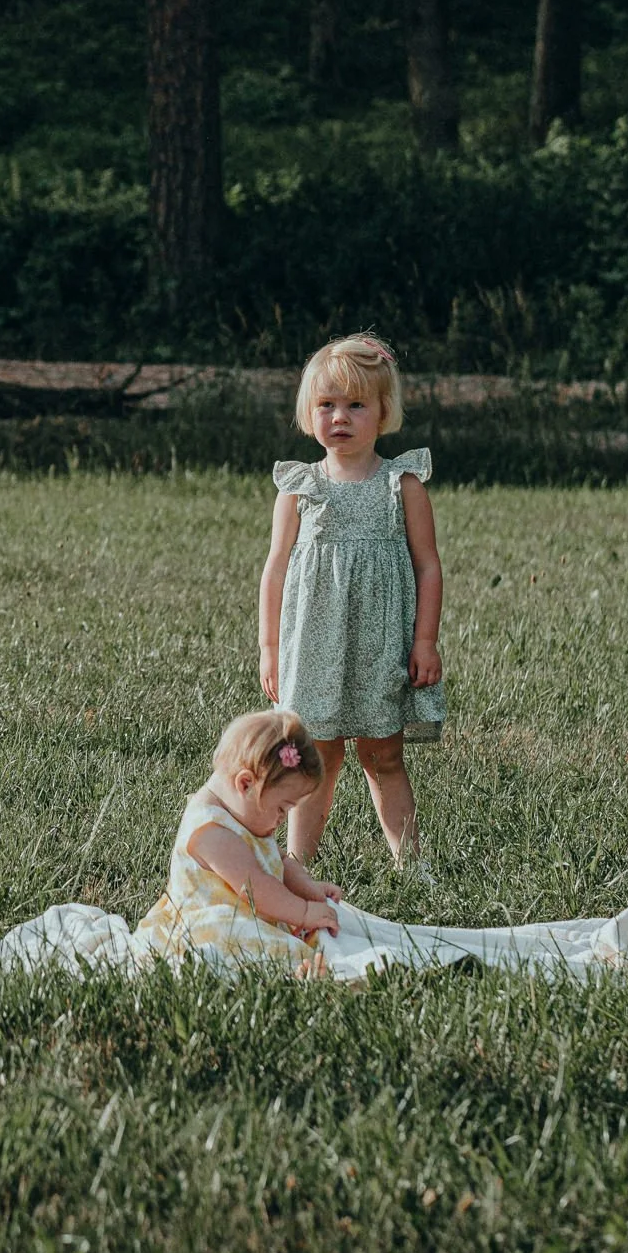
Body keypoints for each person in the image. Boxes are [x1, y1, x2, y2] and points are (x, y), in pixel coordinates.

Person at [258, 333, 443, 870]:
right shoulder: (299, 486)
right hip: (314, 643)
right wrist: (270, 647)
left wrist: (425, 641)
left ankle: (412, 866)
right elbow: (275, 567)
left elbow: (428, 565)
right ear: (308, 412)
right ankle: (297, 864)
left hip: (380, 643)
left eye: (356, 405)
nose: (339, 417)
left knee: (382, 754)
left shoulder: (401, 484)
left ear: (384, 412)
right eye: (326, 405)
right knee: (318, 756)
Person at [137, 710, 342, 978]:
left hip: (251, 915)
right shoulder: (211, 831)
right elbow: (255, 888)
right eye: (282, 808)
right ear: (246, 784)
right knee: (231, 941)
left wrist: (307, 888)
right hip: (208, 923)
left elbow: (279, 860)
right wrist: (302, 912)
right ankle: (286, 970)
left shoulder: (243, 813)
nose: (283, 818)